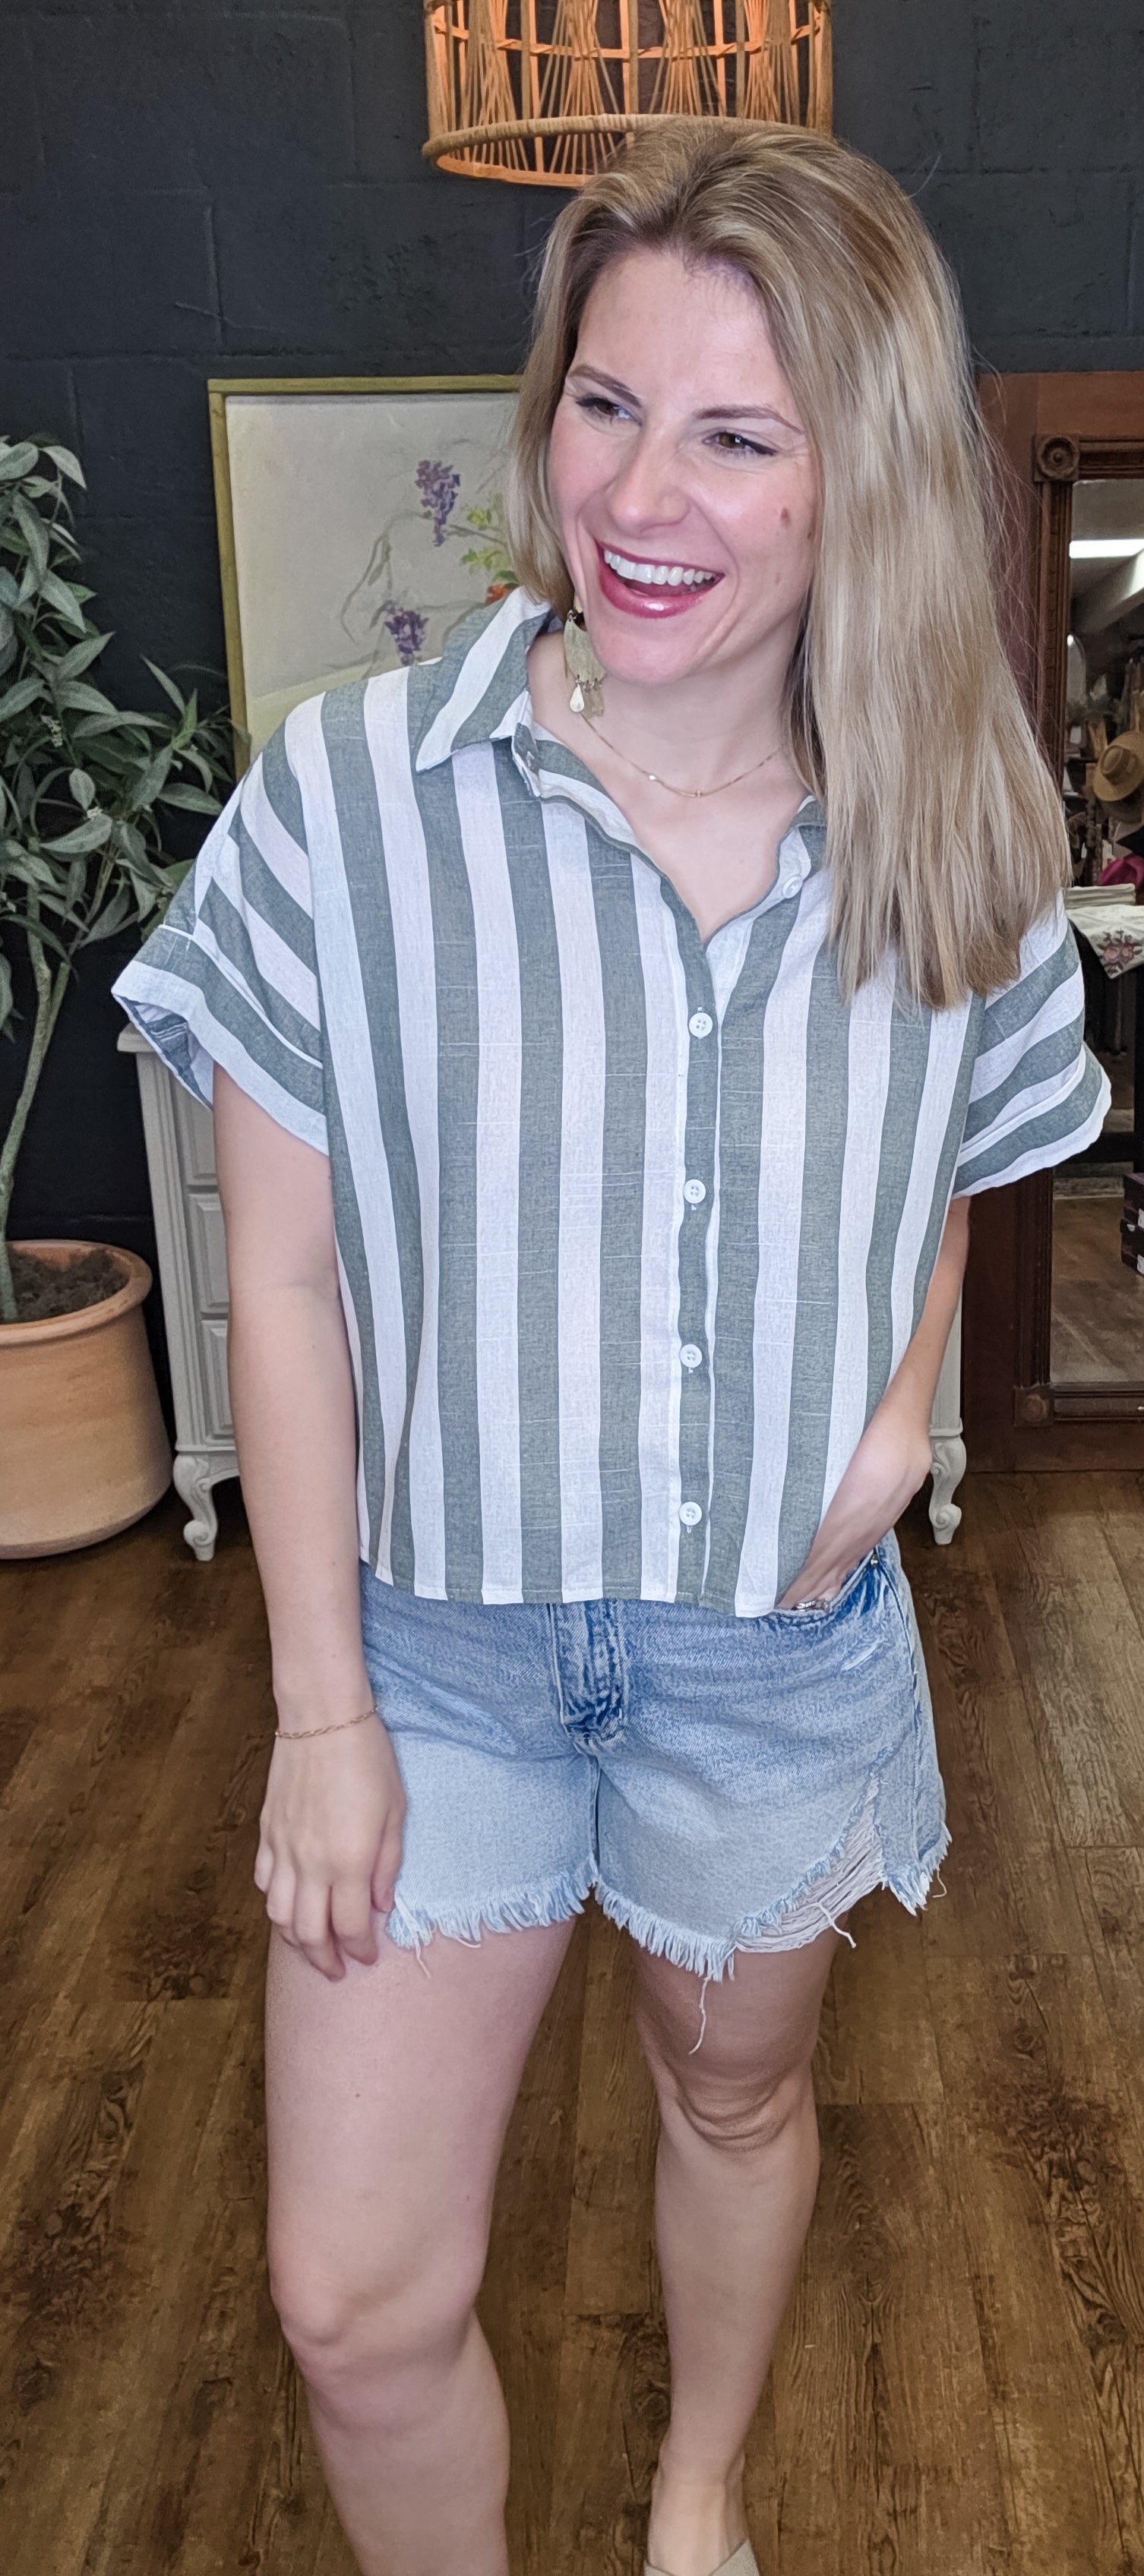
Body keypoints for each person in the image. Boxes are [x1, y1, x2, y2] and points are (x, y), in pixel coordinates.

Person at [114, 118, 1108, 2576]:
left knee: (732, 2101)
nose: (640, 497)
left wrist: (901, 1408)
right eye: (604, 404)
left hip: (775, 1646)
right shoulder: (354, 802)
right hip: (434, 1662)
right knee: (351, 2304)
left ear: (858, 474)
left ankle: (692, 2501)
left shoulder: (955, 814)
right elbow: (281, 1283)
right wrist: (321, 1718)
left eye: (737, 435)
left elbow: (965, 1140)